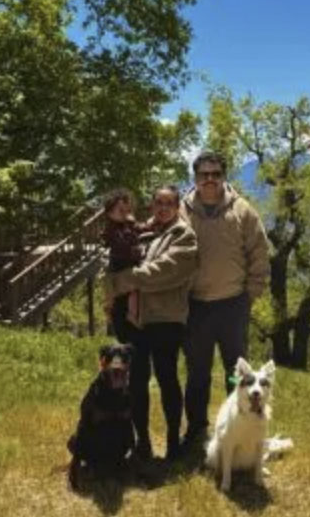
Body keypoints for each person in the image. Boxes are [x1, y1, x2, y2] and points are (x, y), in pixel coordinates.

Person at [180, 151, 270, 448]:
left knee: (237, 374)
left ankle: (240, 427)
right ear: (195, 178)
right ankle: (196, 430)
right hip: (196, 306)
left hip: (233, 304)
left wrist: (250, 296)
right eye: (203, 174)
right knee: (197, 374)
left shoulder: (243, 211)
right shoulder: (182, 210)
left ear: (223, 176)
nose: (209, 180)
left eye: (215, 174)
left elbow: (259, 253)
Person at [104, 185, 198, 461]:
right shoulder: (142, 232)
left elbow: (163, 271)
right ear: (151, 205)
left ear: (178, 206)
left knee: (167, 377)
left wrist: (118, 283)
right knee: (137, 381)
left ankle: (173, 441)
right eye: (158, 202)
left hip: (165, 318)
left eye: (169, 203)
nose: (163, 207)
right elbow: (116, 259)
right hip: (135, 321)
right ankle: (142, 441)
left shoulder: (183, 235)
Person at [101, 189, 150, 343]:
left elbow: (141, 228)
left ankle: (133, 315)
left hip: (130, 269)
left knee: (134, 292)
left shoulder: (127, 224)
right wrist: (137, 251)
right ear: (110, 213)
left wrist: (150, 226)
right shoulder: (112, 229)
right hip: (120, 269)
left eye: (128, 210)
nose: (125, 213)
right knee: (121, 297)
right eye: (121, 210)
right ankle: (125, 316)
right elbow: (122, 248)